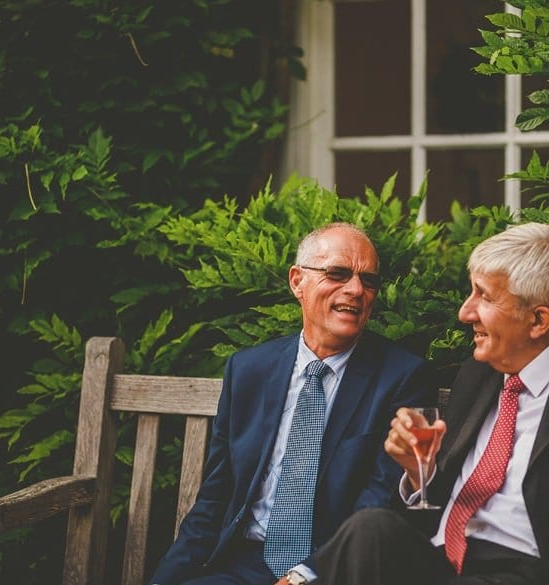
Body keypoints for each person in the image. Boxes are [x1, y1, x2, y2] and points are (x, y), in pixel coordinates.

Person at [313, 222, 549, 585]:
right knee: (369, 528)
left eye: (484, 296)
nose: (465, 313)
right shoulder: (479, 374)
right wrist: (420, 474)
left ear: (538, 320)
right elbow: (430, 510)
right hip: (439, 563)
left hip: (523, 571)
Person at [149, 222, 436, 585]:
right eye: (338, 273)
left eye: (369, 280)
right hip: (240, 565)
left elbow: (379, 502)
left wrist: (303, 575)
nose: (356, 289)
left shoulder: (402, 378)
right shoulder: (248, 369)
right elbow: (215, 498)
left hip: (333, 568)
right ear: (297, 281)